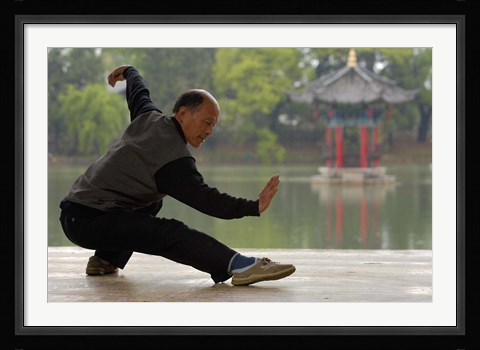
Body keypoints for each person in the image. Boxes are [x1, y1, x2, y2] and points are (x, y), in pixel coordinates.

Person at [59, 64, 296, 286]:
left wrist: (130, 72)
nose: (209, 131)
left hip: (74, 215)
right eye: (206, 122)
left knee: (152, 201)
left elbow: (138, 92)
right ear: (183, 113)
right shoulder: (173, 159)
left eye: (213, 125)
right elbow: (209, 201)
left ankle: (105, 260)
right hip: (89, 221)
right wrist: (253, 206)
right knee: (169, 233)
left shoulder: (148, 116)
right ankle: (239, 265)